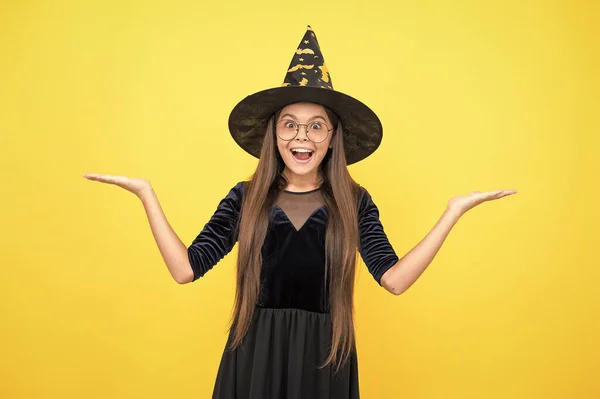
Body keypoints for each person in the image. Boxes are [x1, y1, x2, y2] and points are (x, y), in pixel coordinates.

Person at [83, 25, 517, 399]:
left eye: (315, 125)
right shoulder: (245, 197)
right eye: (289, 123)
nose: (301, 136)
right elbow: (185, 269)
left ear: (332, 137)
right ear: (273, 135)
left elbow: (395, 279)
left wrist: (452, 213)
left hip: (323, 356)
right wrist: (147, 195)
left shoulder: (354, 200)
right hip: (253, 354)